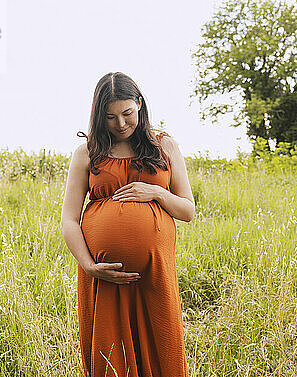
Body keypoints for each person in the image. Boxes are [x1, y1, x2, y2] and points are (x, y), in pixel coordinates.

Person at [59, 72, 195, 377]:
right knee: (111, 356)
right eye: (110, 117)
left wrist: (157, 192)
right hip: (105, 276)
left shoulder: (165, 146)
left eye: (127, 113)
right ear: (98, 115)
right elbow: (69, 219)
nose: (120, 124)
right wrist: (89, 265)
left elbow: (187, 210)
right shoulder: (87, 153)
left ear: (141, 106)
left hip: (154, 271)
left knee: (162, 348)